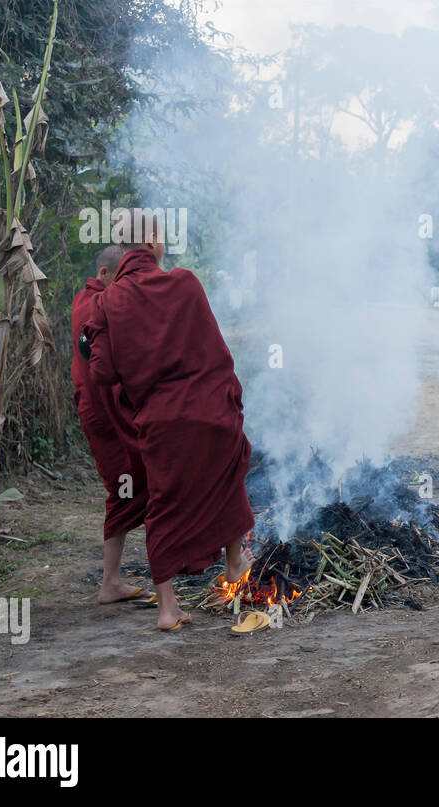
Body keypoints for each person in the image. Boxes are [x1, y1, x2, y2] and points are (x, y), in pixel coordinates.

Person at [82, 210, 254, 631]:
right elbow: (214, 348)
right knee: (228, 472)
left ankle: (167, 609)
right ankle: (234, 561)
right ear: (154, 242)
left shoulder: (106, 303)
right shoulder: (185, 283)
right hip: (210, 411)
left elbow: (101, 372)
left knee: (164, 503)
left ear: (123, 249)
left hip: (161, 421)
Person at [71, 245, 151, 605]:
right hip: (105, 414)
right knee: (127, 485)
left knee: (142, 481)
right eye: (120, 278)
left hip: (108, 410)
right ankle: (111, 582)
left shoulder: (93, 300)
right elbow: (102, 364)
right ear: (104, 275)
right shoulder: (92, 305)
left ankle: (117, 579)